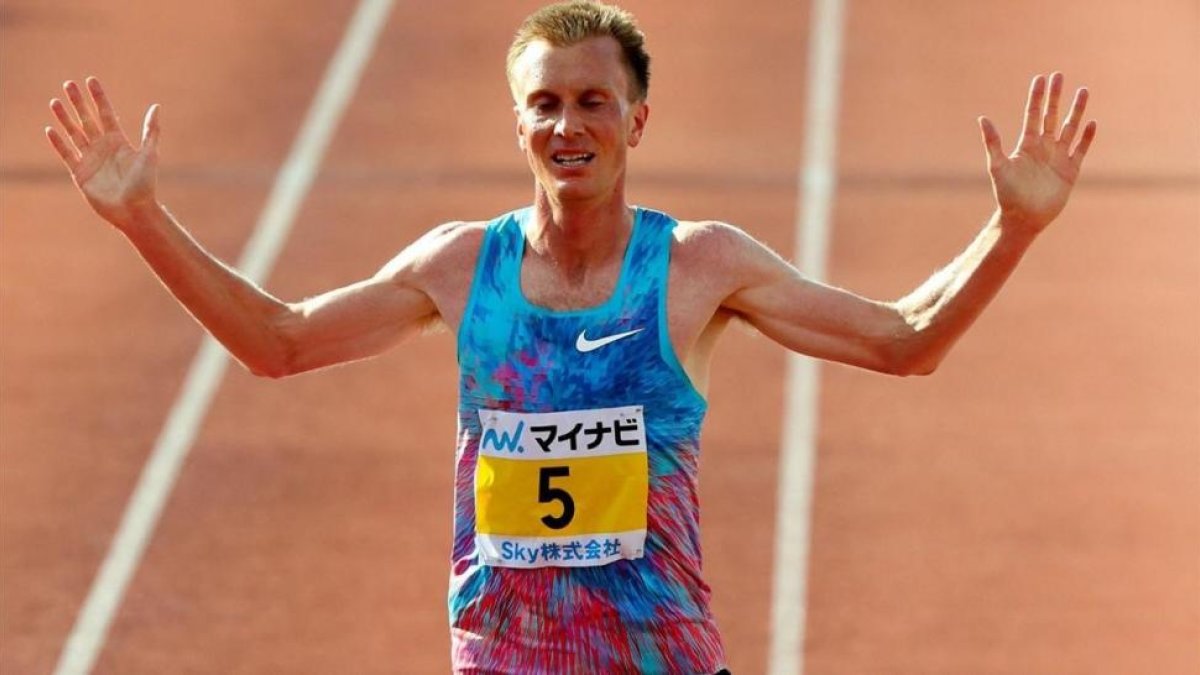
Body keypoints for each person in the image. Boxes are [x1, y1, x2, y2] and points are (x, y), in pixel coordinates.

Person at [44, 1, 1096, 672]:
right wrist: (141, 218)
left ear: (637, 120)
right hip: (503, 660)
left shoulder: (695, 267)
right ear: (517, 123)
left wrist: (1014, 229)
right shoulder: (462, 268)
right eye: (544, 103)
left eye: (594, 100)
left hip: (661, 660)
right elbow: (277, 341)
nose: (567, 125)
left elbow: (905, 339)